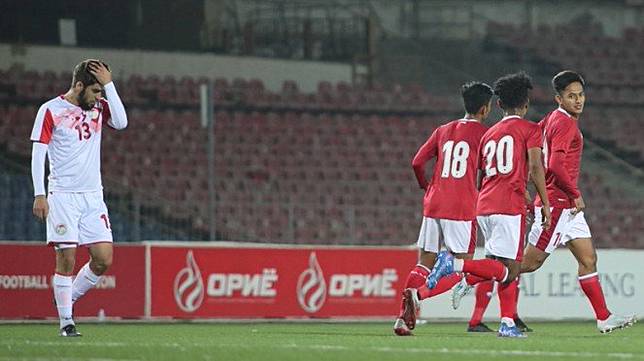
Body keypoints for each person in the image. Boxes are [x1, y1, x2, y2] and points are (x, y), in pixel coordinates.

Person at [427, 72, 551, 338]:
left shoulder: (489, 133)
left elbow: (484, 175)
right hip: (509, 206)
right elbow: (535, 166)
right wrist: (545, 203)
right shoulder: (531, 129)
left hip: (485, 204)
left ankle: (506, 322)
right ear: (526, 103)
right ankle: (456, 266)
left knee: (499, 265)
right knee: (511, 269)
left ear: (498, 105)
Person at [520, 70, 636, 333]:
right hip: (559, 204)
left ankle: (604, 317)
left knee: (588, 259)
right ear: (558, 99)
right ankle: (468, 275)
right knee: (528, 264)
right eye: (571, 96)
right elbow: (557, 165)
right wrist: (575, 193)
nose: (578, 100)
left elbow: (533, 147)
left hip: (566, 208)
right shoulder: (565, 123)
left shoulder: (550, 119)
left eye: (581, 94)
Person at [31, 59, 128, 336]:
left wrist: (109, 84)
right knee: (67, 260)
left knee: (103, 259)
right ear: (78, 85)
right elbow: (39, 154)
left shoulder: (97, 106)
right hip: (62, 196)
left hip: (93, 196)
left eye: (102, 92)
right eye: (96, 91)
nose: (99, 97)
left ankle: (66, 299)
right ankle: (66, 323)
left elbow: (121, 123)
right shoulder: (51, 110)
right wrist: (40, 194)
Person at [393, 82, 493, 336]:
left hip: (434, 203)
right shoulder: (485, 134)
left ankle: (402, 319)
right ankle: (419, 295)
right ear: (485, 108)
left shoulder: (443, 130)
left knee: (424, 262)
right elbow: (489, 172)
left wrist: (426, 186)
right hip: (461, 207)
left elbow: (417, 162)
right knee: (462, 268)